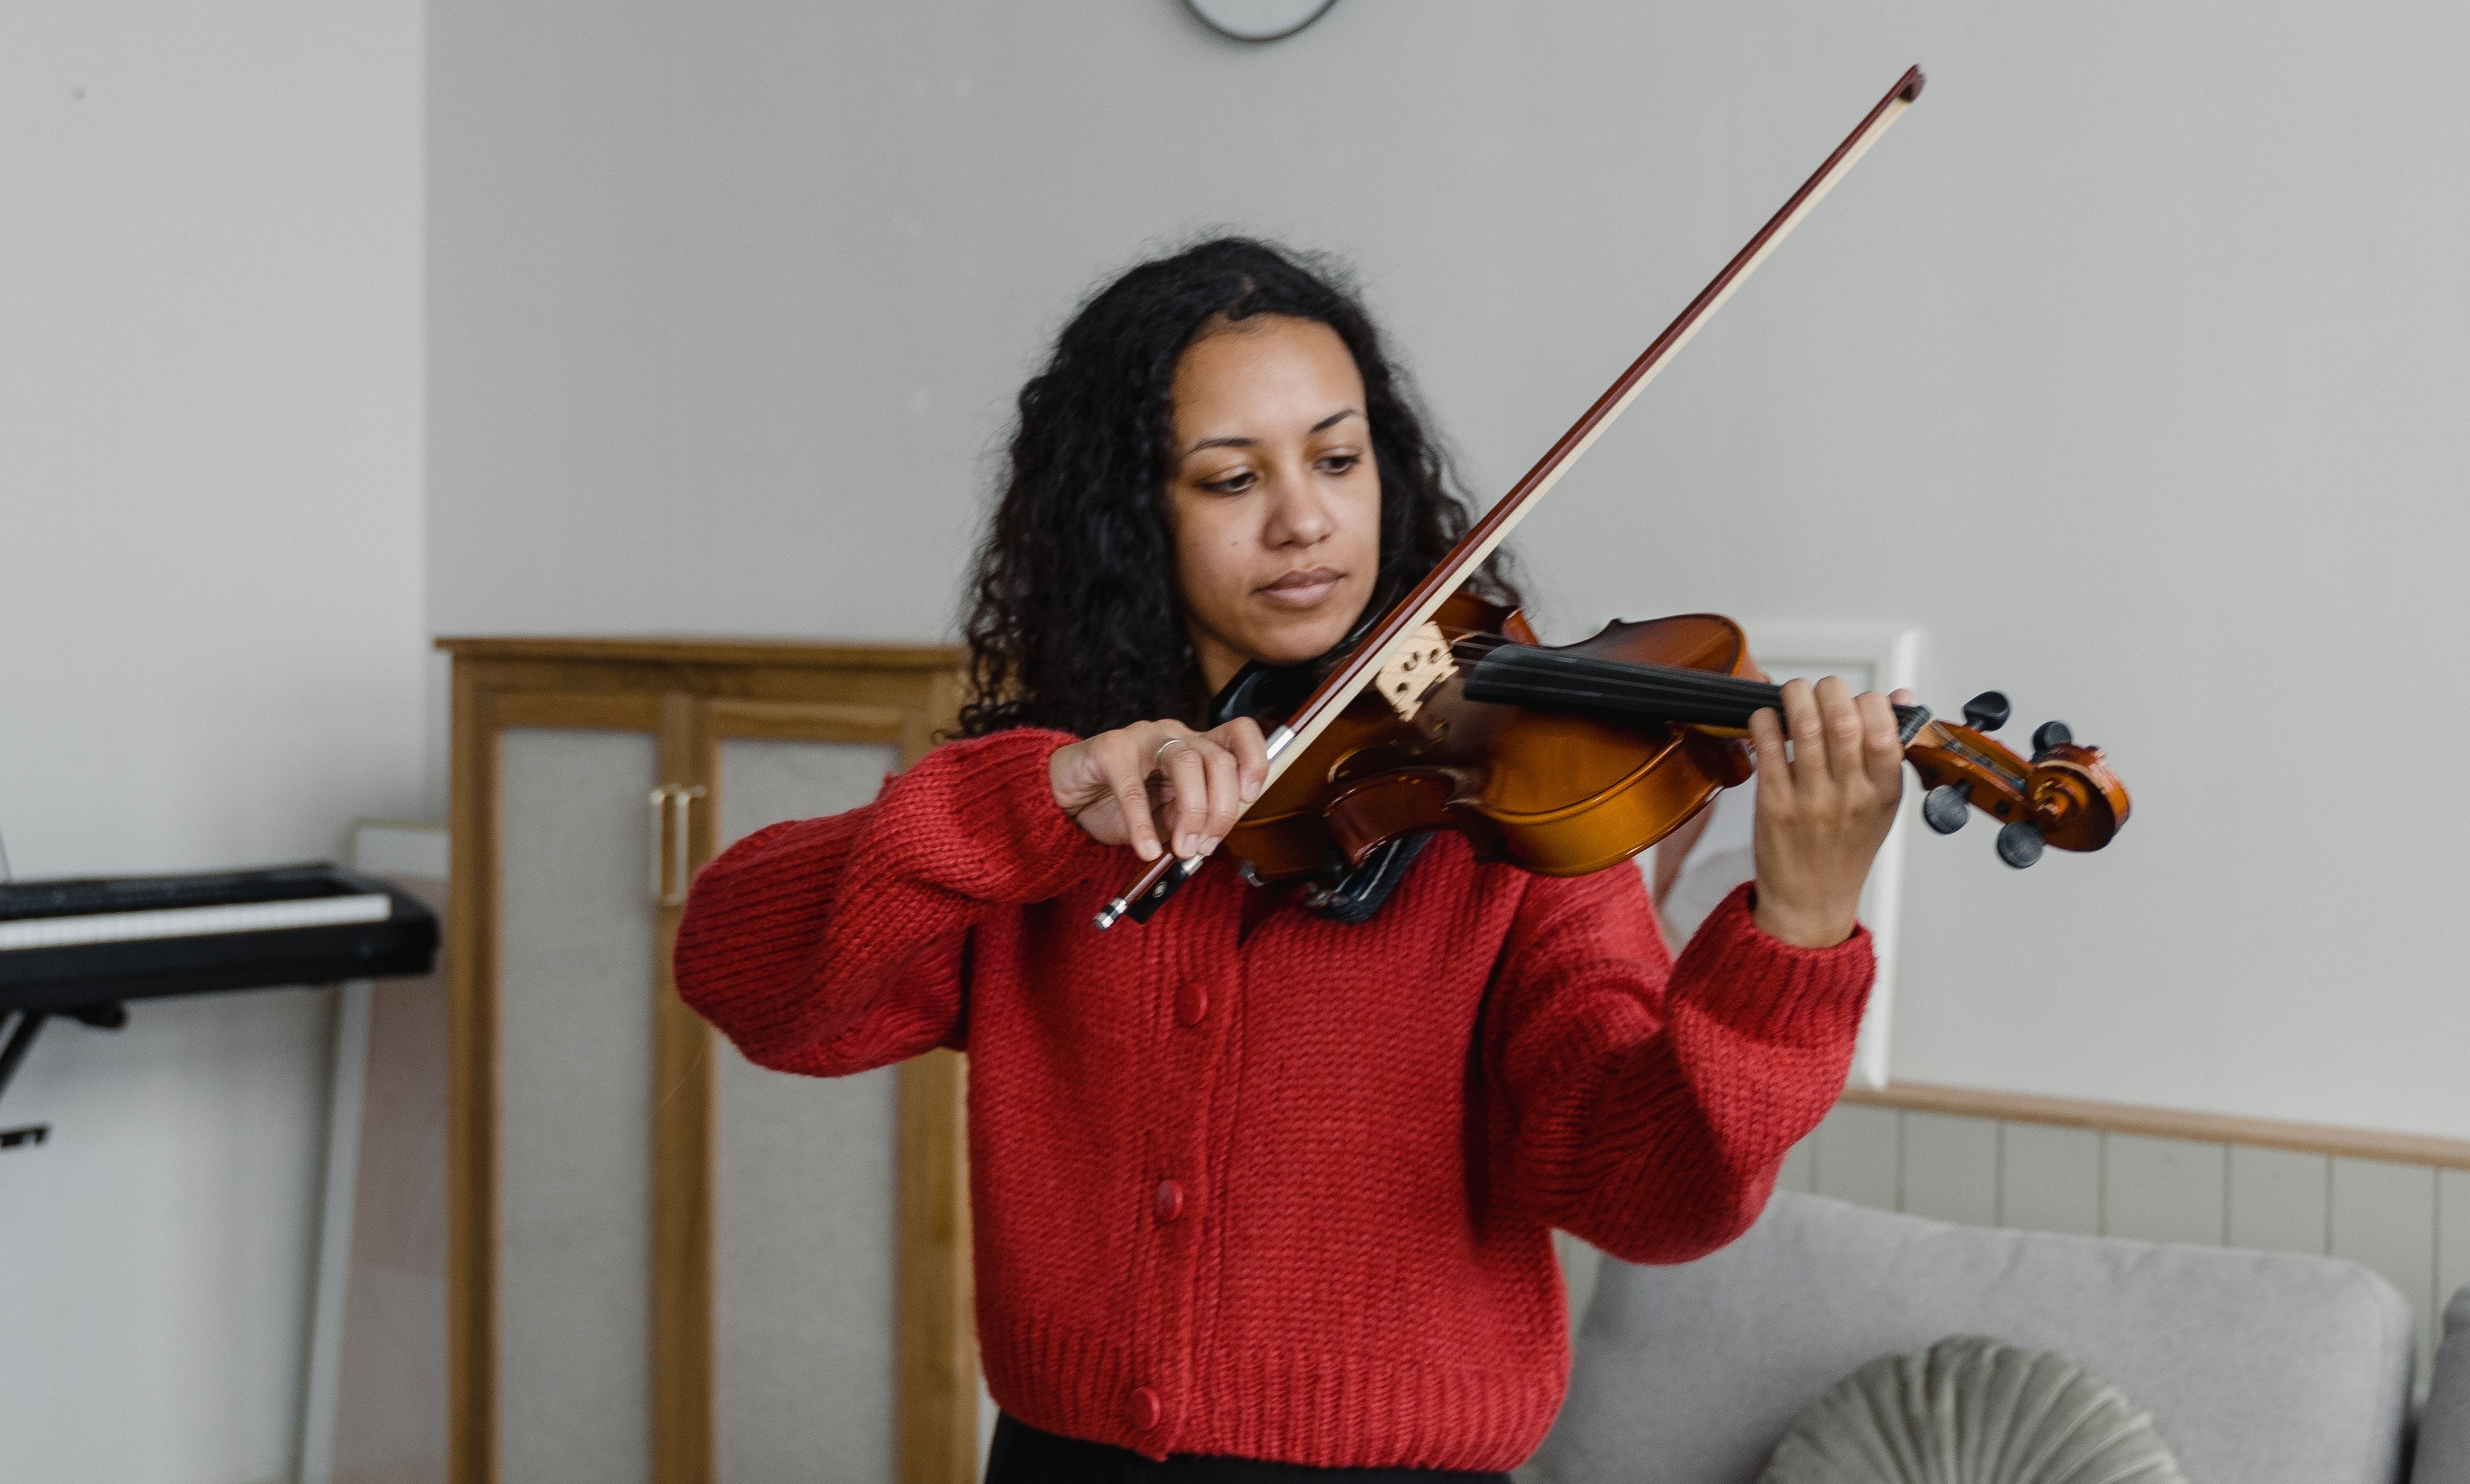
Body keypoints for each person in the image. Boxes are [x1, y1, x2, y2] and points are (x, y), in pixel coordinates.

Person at [673, 238, 1908, 1481]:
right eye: (1228, 479)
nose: (1303, 518)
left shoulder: (1509, 808)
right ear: (1129, 513)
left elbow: (1645, 1195)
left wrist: (1792, 935)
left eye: (1335, 456)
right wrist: (1041, 798)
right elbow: (746, 973)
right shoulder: (1066, 809)